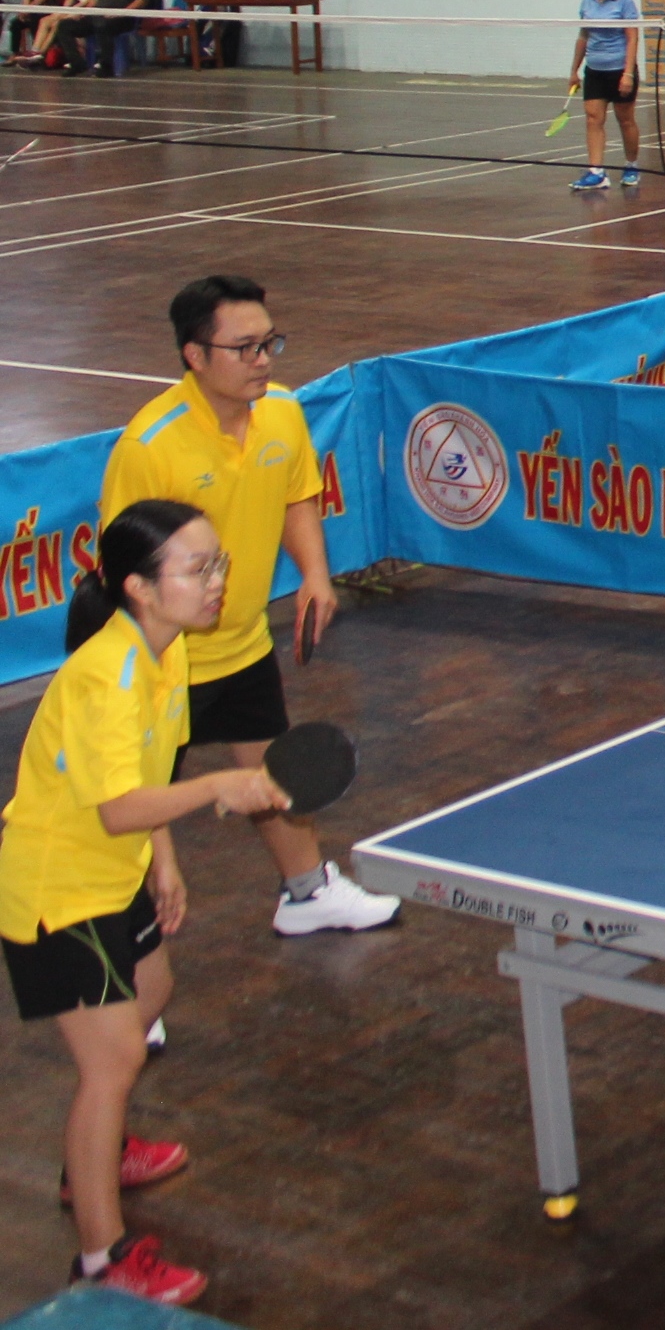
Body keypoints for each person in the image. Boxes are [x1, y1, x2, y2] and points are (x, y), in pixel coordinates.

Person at [4, 500, 292, 1306]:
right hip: (60, 887)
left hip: (115, 869)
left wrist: (163, 862)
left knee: (154, 991)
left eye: (219, 564)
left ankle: (98, 1149)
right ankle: (101, 1256)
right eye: (197, 570)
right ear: (137, 585)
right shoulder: (107, 677)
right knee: (113, 1061)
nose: (217, 583)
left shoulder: (165, 651)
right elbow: (113, 806)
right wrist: (221, 786)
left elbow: (147, 775)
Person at [100, 277, 395, 942]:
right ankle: (124, 962)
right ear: (195, 356)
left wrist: (316, 574)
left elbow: (296, 494)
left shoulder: (284, 412)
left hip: (242, 643)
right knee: (133, 810)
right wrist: (143, 660)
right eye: (244, 347)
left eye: (269, 343)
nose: (264, 359)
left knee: (274, 775)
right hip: (162, 663)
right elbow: (123, 567)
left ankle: (306, 893)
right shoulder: (151, 446)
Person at [566, 0, 647, 192]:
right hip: (595, 70)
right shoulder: (587, 2)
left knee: (625, 119)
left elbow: (632, 38)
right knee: (593, 118)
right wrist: (574, 70)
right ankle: (596, 172)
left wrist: (628, 73)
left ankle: (631, 166)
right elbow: (583, 36)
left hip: (619, 70)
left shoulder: (625, 2)